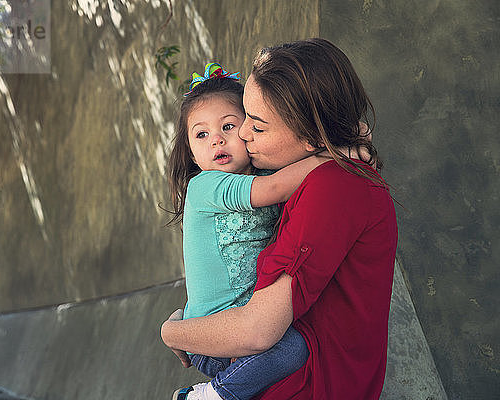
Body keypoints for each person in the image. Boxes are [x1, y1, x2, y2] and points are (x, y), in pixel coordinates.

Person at [161, 39, 398, 400]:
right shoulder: (296, 180)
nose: (240, 136)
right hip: (271, 362)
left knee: (289, 347)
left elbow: (257, 332)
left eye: (254, 126)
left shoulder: (330, 187)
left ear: (311, 137)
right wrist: (344, 146)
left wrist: (173, 332)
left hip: (302, 382)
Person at [165, 62, 325, 400]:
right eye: (201, 134)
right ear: (192, 152)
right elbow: (278, 188)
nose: (217, 139)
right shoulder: (205, 186)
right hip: (213, 336)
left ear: (249, 130)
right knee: (292, 349)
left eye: (228, 126)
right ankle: (210, 394)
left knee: (296, 343)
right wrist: (337, 156)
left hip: (244, 324)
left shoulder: (261, 177)